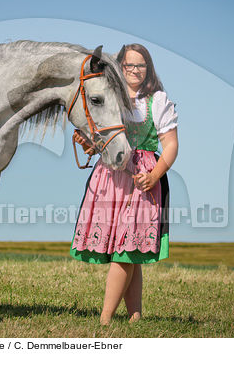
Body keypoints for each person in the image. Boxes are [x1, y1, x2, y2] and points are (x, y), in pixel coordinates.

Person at [70, 43, 179, 325]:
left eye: (140, 65)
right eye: (128, 65)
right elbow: (103, 142)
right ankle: (135, 316)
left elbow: (171, 146)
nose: (134, 70)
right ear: (120, 67)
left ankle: (105, 319)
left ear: (149, 68)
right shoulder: (112, 98)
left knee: (128, 249)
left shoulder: (158, 101)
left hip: (142, 179)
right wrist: (89, 144)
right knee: (130, 251)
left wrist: (154, 175)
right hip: (111, 179)